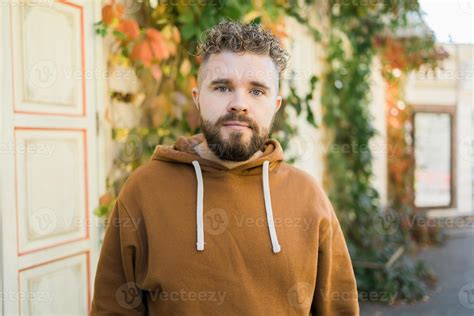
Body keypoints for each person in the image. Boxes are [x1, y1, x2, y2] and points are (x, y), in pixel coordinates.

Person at [91, 20, 359, 315]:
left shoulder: (308, 197)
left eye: (257, 91)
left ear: (276, 105)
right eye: (222, 87)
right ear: (197, 98)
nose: (238, 104)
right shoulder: (144, 191)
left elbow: (339, 308)